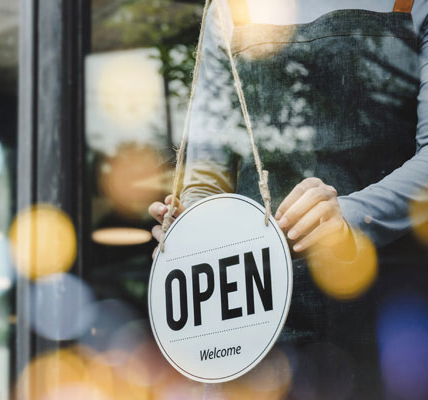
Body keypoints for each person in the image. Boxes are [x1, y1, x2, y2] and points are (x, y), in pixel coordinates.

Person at [148, 0, 428, 397]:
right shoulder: (229, 8)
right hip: (252, 315)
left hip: (393, 311)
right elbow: (207, 176)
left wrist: (352, 215)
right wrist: (190, 225)